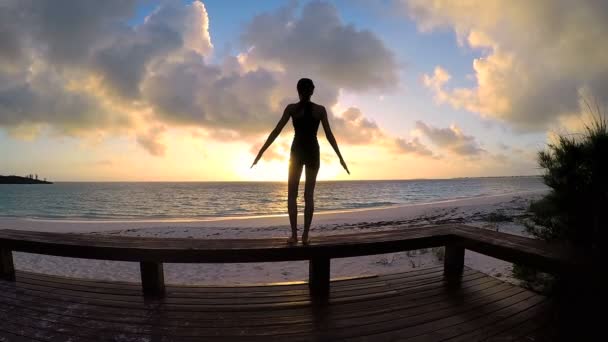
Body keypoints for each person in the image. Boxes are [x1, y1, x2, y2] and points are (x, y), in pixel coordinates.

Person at [251, 78, 349, 244]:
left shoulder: (292, 109)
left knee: (292, 195)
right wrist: (340, 157)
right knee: (309, 195)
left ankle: (295, 236)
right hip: (312, 151)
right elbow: (329, 135)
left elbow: (276, 131)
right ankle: (304, 236)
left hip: (297, 152)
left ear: (298, 90)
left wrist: (261, 152)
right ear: (312, 91)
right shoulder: (320, 110)